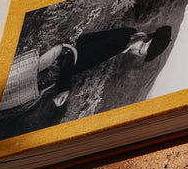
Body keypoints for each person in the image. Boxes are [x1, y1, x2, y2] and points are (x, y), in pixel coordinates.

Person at [27, 25, 172, 107]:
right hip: (59, 56)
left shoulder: (127, 37)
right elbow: (74, 54)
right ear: (145, 38)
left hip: (62, 62)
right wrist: (64, 88)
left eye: (141, 54)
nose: (137, 53)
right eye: (141, 49)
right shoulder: (120, 40)